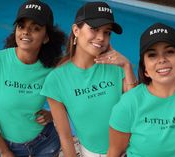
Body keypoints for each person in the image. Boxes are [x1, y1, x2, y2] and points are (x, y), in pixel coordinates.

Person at [40, 1, 137, 157]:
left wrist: (127, 67)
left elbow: (137, 110)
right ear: (76, 30)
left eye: (107, 32)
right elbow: (65, 136)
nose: (101, 37)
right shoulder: (56, 80)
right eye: (95, 29)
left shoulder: (117, 66)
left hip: (133, 150)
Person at [108, 22, 175, 157]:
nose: (162, 60)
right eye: (152, 55)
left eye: (170, 52)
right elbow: (114, 152)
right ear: (145, 69)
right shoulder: (128, 104)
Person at [0, 0, 66, 157]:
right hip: (8, 146)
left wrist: (52, 114)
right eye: (21, 26)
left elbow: (74, 97)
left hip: (45, 142)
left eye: (35, 28)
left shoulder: (52, 67)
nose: (26, 32)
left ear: (46, 37)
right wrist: (4, 151)